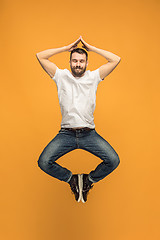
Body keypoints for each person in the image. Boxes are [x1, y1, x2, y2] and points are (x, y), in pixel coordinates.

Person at [36, 36, 121, 203]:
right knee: (44, 162)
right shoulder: (60, 76)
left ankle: (87, 181)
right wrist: (65, 47)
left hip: (89, 134)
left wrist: (92, 48)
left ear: (86, 63)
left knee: (113, 160)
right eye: (74, 60)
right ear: (70, 62)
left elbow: (115, 60)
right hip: (66, 134)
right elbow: (40, 56)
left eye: (81, 61)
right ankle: (72, 180)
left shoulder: (94, 77)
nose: (78, 64)